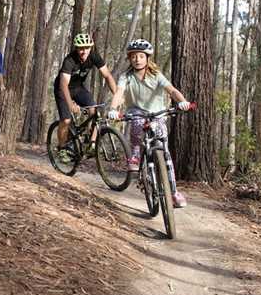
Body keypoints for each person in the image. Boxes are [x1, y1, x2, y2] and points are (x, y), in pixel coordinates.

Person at [108, 38, 191, 208]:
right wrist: (113, 108)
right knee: (138, 125)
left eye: (141, 56)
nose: (137, 59)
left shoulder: (156, 75)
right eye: (134, 56)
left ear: (147, 58)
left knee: (165, 151)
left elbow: (172, 90)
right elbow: (119, 93)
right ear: (129, 59)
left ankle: (173, 192)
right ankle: (137, 154)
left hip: (157, 114)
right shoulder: (126, 77)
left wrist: (182, 101)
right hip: (137, 112)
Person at [54, 33, 119, 161]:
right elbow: (63, 84)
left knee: (94, 111)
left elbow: (108, 76)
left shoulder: (94, 56)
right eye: (80, 48)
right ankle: (61, 149)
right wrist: (71, 104)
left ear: (91, 47)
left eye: (86, 48)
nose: (83, 51)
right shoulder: (69, 60)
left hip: (78, 88)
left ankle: (92, 144)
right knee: (66, 120)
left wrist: (117, 96)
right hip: (62, 90)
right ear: (76, 48)